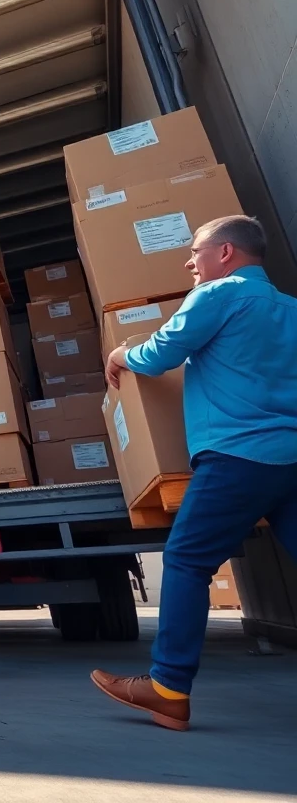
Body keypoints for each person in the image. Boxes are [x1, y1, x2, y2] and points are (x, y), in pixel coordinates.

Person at [93, 215, 297, 731]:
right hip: (290, 458)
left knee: (186, 561)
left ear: (225, 254)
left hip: (236, 456)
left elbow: (161, 354)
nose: (190, 262)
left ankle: (167, 688)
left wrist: (119, 351)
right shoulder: (292, 310)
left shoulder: (219, 296)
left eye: (195, 252)